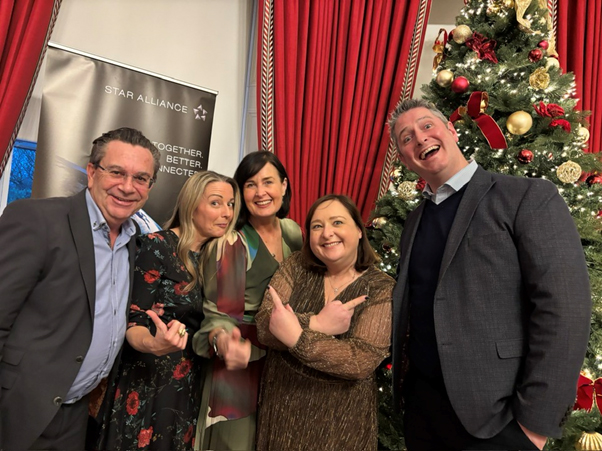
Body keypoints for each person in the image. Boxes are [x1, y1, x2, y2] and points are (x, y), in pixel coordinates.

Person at [388, 99, 591, 450]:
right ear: (405, 159)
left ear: (451, 131)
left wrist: (535, 425)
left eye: (427, 126)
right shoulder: (413, 222)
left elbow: (565, 308)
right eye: (406, 138)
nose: (420, 139)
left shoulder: (526, 196)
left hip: (499, 419)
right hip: (423, 416)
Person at [0, 127, 160, 450]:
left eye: (141, 178)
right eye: (116, 172)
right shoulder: (37, 219)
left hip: (75, 415)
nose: (127, 187)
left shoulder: (135, 242)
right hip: (16, 409)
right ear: (91, 172)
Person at [94, 170, 239, 450]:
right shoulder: (156, 246)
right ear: (191, 205)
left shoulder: (216, 259)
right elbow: (133, 321)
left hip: (189, 384)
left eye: (231, 204)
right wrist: (153, 343)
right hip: (148, 381)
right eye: (216, 202)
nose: (227, 213)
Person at [255, 194, 394, 451]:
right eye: (317, 226)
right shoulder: (296, 266)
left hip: (341, 422)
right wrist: (316, 323)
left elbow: (359, 360)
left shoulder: (382, 288)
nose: (327, 233)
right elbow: (265, 325)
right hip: (283, 410)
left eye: (337, 222)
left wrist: (298, 338)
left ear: (359, 230)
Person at [192, 151, 302, 450]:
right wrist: (225, 341)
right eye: (250, 184)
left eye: (268, 182)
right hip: (241, 365)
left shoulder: (293, 233)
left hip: (285, 364)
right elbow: (219, 316)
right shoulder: (231, 243)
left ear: (284, 185)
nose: (260, 192)